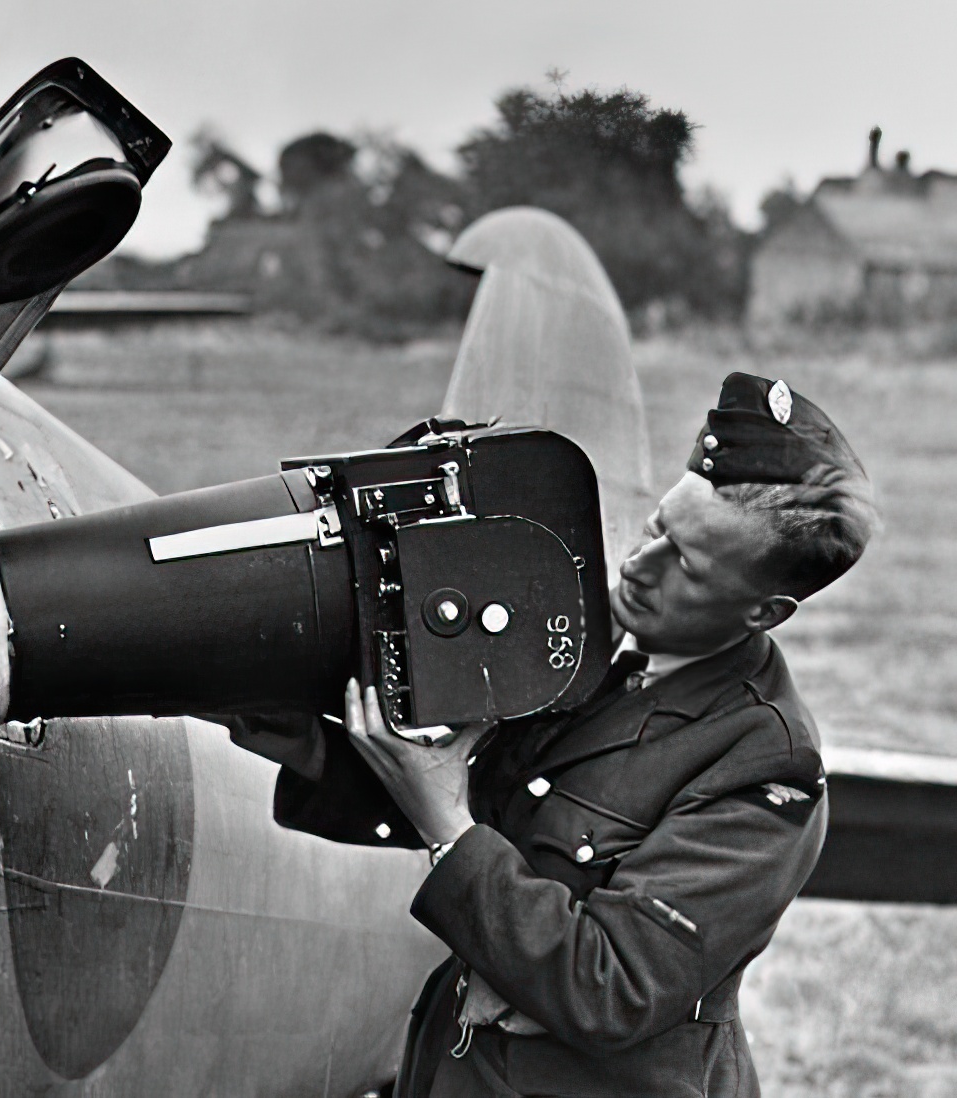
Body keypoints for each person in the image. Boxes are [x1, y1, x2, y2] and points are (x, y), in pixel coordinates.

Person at [307, 373, 876, 1096]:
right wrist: (311, 747)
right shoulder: (587, 644)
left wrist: (448, 827)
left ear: (764, 613)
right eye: (658, 528)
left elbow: (614, 987)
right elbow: (474, 788)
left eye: (688, 569)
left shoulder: (766, 766)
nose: (641, 566)